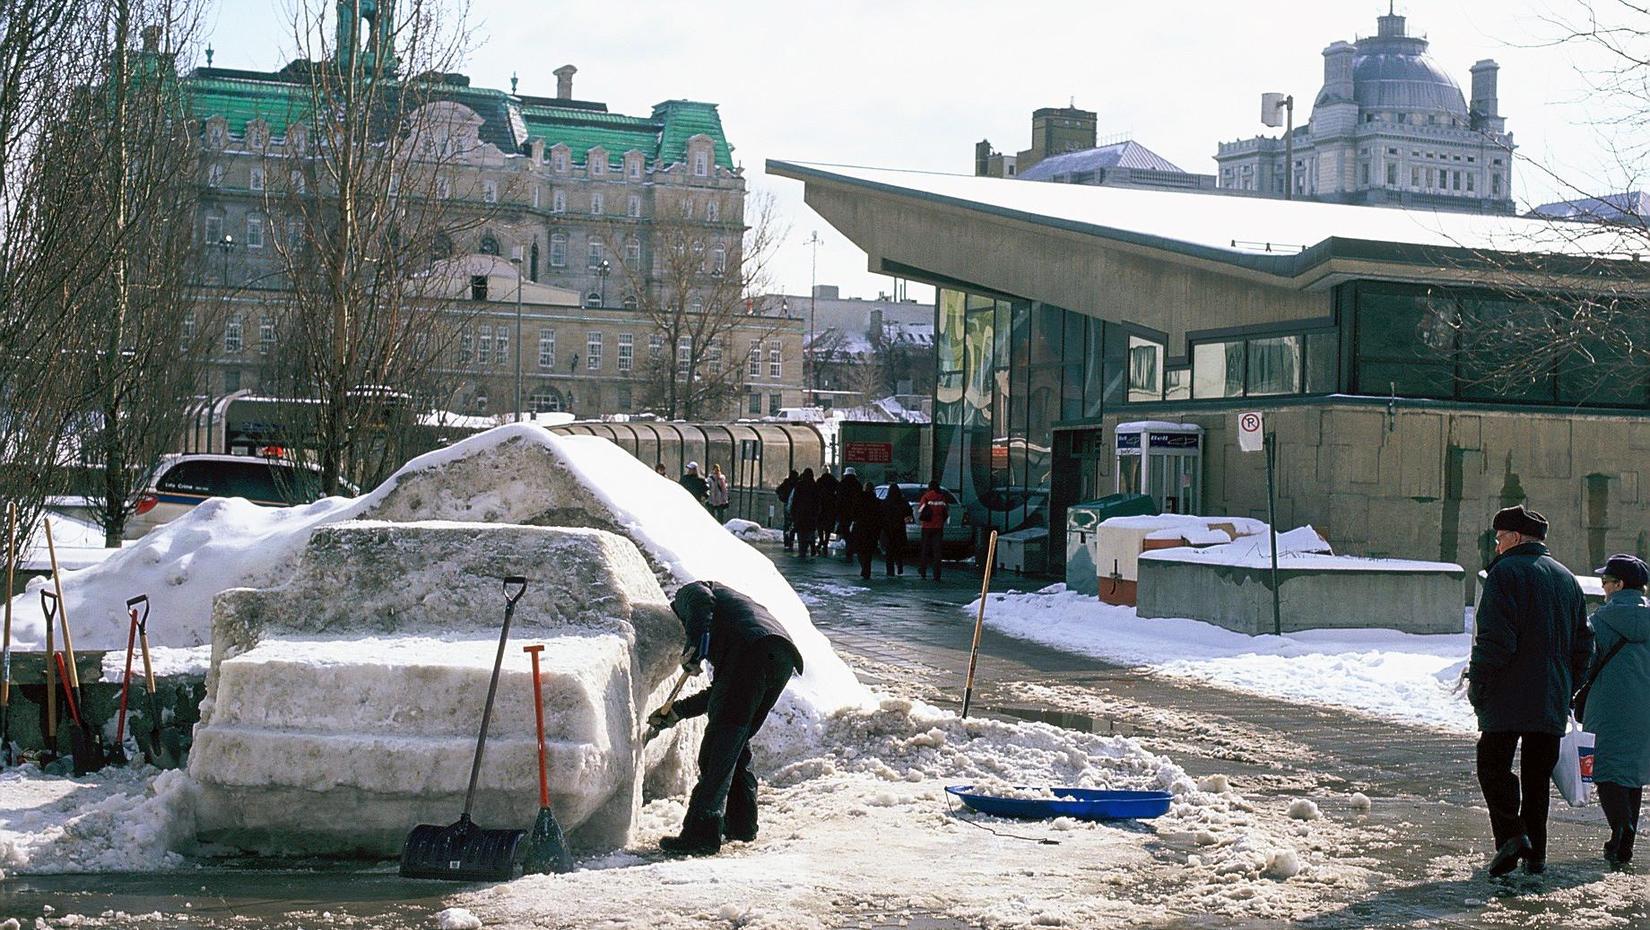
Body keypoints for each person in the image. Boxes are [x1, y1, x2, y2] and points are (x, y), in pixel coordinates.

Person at [1467, 504, 1592, 877]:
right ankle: (1535, 855)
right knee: (1537, 780)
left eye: (1500, 537)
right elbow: (1585, 645)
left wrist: (1480, 683)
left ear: (1516, 537)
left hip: (1506, 696)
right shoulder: (1567, 579)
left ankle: (1511, 835)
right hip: (1550, 699)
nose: (1497, 544)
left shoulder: (1504, 574)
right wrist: (1568, 684)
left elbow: (1495, 641)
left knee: (1492, 765)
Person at [649, 580, 803, 856]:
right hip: (780, 658)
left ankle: (701, 836)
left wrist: (694, 645)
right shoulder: (732, 622)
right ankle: (742, 825)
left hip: (751, 653)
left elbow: (700, 600)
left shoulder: (690, 593)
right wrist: (677, 711)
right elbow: (721, 693)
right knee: (735, 743)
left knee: (718, 748)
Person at [1581, 554, 1650, 868]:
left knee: (1605, 769)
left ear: (1619, 585)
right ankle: (1625, 844)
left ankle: (1620, 827)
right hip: (1645, 706)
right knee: (1632, 772)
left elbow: (1585, 662)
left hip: (1607, 704)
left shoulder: (1600, 620)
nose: (1603, 587)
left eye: (1605, 581)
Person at [915, 479, 950, 582]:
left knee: (925, 550)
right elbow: (946, 511)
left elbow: (920, 510)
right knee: (937, 552)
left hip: (927, 526)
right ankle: (937, 575)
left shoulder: (926, 496)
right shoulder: (942, 497)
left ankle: (923, 571)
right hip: (938, 527)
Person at [850, 484, 883, 580]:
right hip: (872, 528)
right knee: (869, 550)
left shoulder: (858, 500)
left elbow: (853, 513)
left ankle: (864, 567)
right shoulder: (877, 502)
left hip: (860, 527)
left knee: (860, 550)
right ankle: (866, 567)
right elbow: (880, 515)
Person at [879, 483, 911, 576]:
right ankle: (899, 565)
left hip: (888, 529)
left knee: (889, 552)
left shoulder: (885, 502)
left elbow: (881, 514)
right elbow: (908, 511)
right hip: (899, 528)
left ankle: (890, 571)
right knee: (898, 549)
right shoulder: (903, 501)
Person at [790, 468, 819, 557]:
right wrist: (817, 512)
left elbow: (794, 501)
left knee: (801, 533)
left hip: (800, 514)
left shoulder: (799, 485)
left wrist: (793, 513)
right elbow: (817, 501)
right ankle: (812, 547)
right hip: (811, 514)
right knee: (810, 531)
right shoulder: (814, 486)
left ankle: (802, 550)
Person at [836, 468, 863, 561]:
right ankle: (851, 548)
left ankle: (849, 549)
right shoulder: (858, 485)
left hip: (844, 513)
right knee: (853, 532)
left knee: (846, 532)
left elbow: (838, 500)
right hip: (855, 513)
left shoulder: (842, 485)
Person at [815, 467, 839, 553]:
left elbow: (816, 492)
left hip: (821, 505)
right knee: (828, 526)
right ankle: (826, 542)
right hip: (830, 506)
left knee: (820, 525)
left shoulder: (819, 481)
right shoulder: (833, 481)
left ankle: (821, 540)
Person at [775, 470, 799, 552]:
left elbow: (778, 490)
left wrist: (783, 498)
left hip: (787, 505)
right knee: (792, 524)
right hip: (795, 506)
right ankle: (791, 541)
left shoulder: (787, 482)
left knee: (786, 524)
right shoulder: (797, 483)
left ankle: (786, 542)